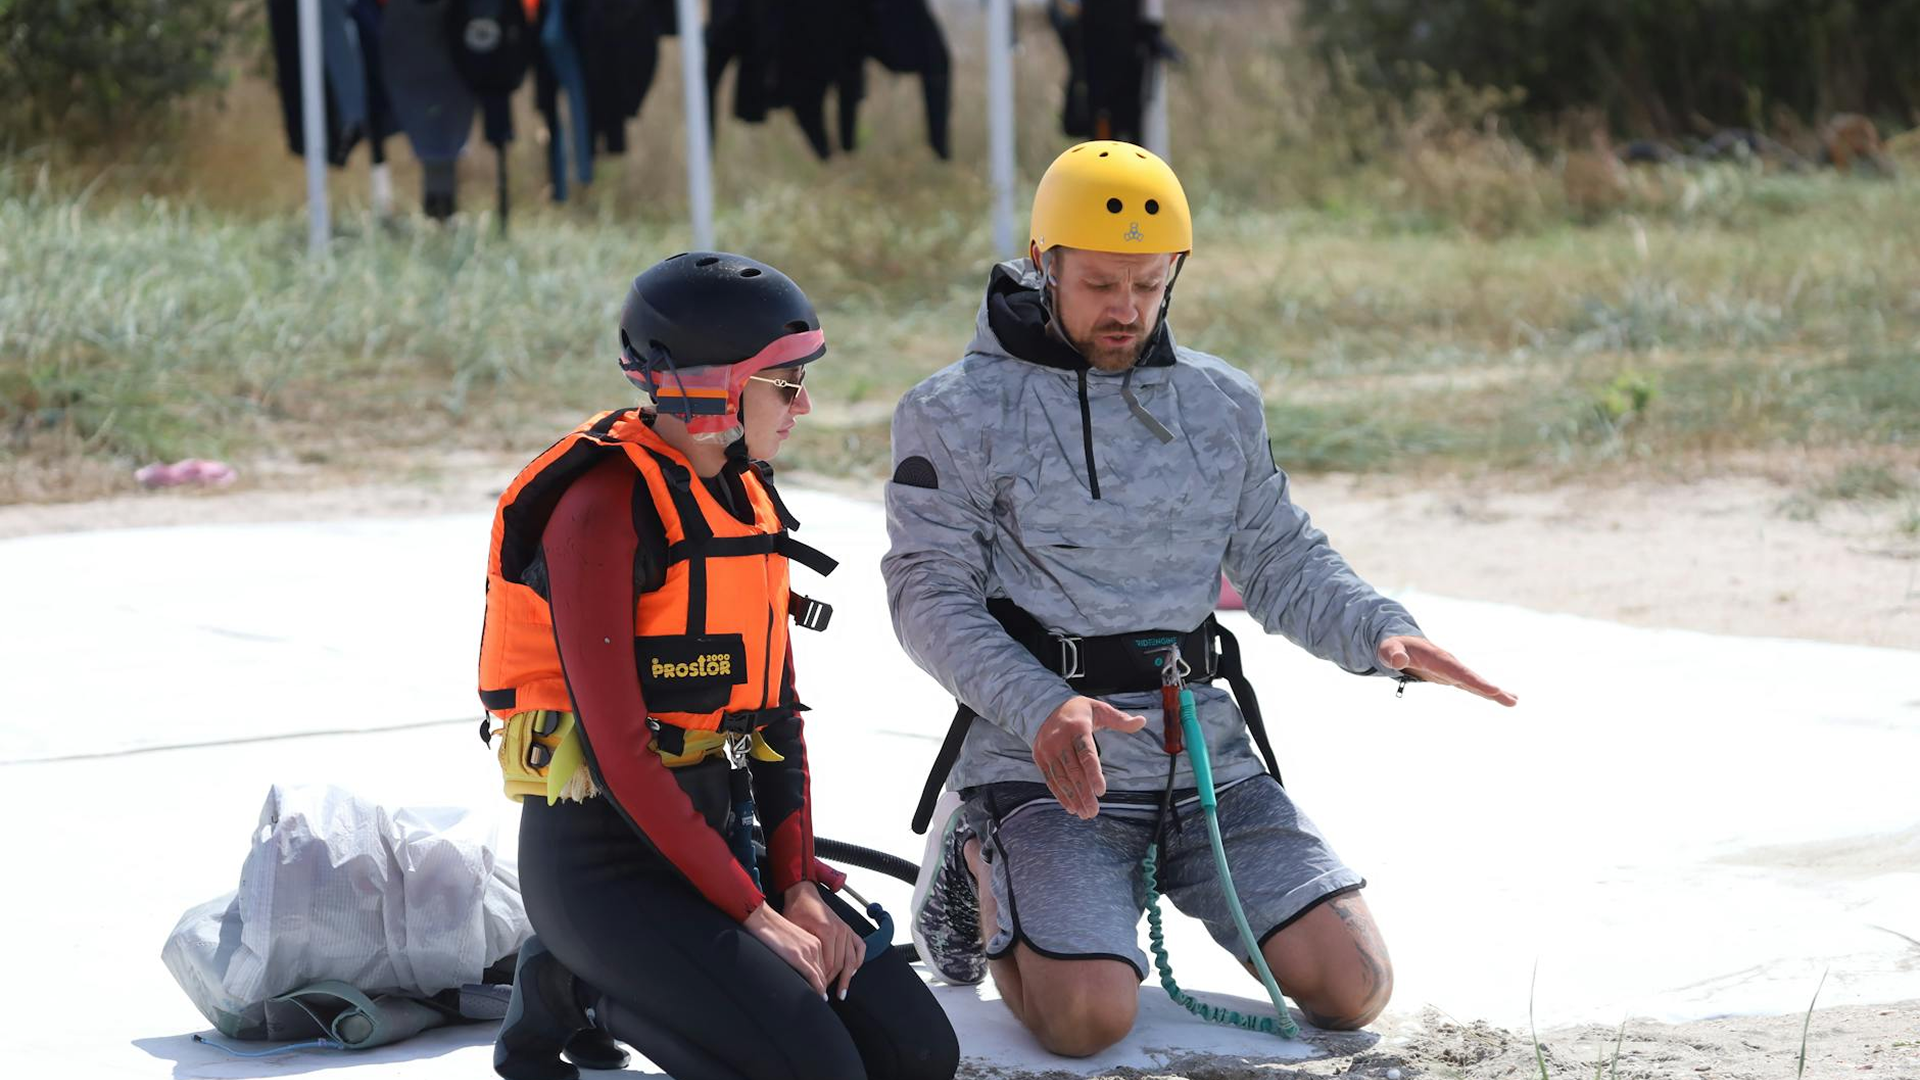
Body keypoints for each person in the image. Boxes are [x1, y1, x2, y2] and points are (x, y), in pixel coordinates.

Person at [883, 142, 1518, 1057]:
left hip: (1199, 753)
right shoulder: (954, 411)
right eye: (1099, 283)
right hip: (1047, 759)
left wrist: (1385, 636)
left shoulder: (1219, 402)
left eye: (1149, 282)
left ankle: (1123, 876)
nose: (1126, 309)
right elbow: (925, 594)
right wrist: (1041, 704)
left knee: (1356, 989)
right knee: (1088, 1021)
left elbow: (1280, 557)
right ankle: (976, 854)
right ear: (1041, 261)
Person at [478, 252, 959, 1080]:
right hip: (604, 865)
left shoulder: (746, 496)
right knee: (819, 1075)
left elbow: (777, 718)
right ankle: (581, 986)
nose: (803, 405)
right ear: (713, 385)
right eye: (786, 383)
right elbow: (621, 755)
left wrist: (796, 881)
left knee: (917, 1057)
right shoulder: (600, 510)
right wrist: (753, 914)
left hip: (721, 840)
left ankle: (665, 972)